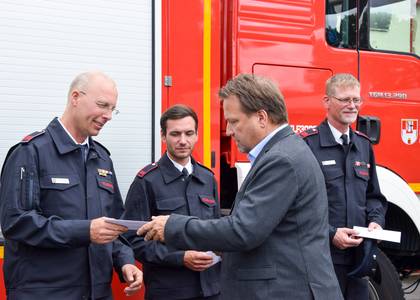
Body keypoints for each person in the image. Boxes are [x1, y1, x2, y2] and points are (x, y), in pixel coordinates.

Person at [138, 74, 343, 300]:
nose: (228, 130)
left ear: (261, 118)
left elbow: (244, 231)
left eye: (234, 121)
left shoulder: (281, 159)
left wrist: (172, 226)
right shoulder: (283, 152)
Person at [0, 71, 143, 299]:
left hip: (97, 293)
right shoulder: (31, 152)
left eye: (112, 109)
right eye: (102, 105)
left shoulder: (102, 159)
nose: (108, 115)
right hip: (46, 293)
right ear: (75, 97)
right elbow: (16, 223)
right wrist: (85, 231)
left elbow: (116, 225)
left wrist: (125, 262)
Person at [300, 73, 387, 299]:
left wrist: (376, 222)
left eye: (356, 100)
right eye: (345, 100)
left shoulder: (363, 145)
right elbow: (297, 205)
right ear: (327, 102)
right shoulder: (308, 145)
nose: (352, 106)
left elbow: (374, 196)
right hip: (322, 257)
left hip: (359, 258)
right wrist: (331, 234)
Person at [123, 105, 221, 300]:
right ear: (163, 135)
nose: (183, 141)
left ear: (197, 135)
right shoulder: (146, 181)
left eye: (189, 133)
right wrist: (180, 258)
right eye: (175, 134)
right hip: (169, 292)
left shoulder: (208, 178)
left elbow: (216, 229)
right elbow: (133, 240)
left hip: (211, 291)